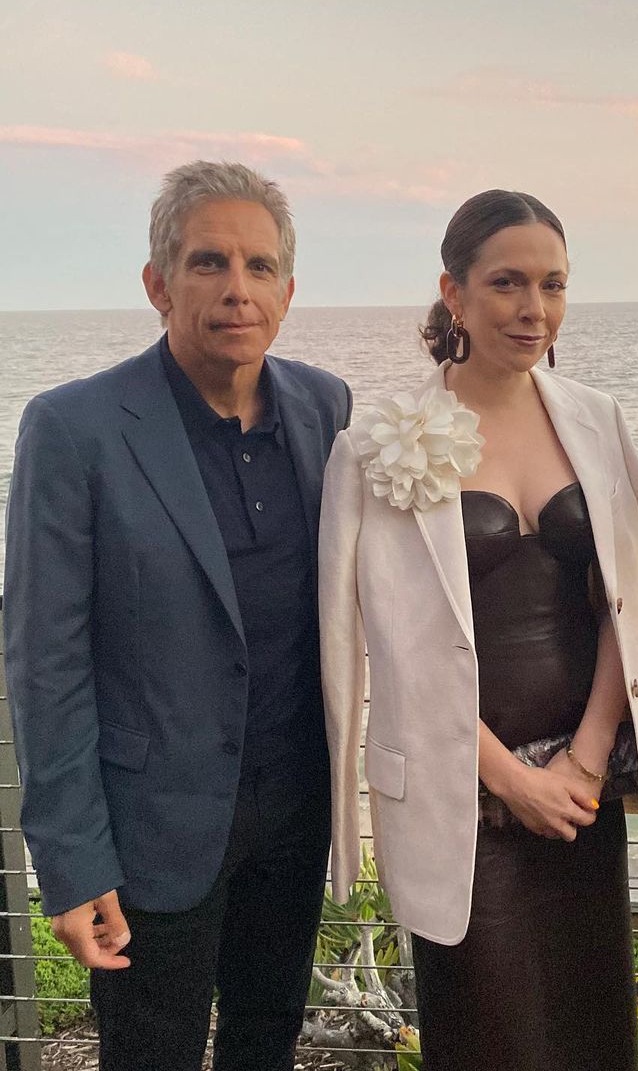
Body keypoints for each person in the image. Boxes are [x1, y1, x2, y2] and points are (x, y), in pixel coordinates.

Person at [319, 189, 638, 1070]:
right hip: (464, 800)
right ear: (453, 294)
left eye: (553, 284)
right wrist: (510, 781)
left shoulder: (597, 419)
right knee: (486, 1036)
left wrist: (585, 758)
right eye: (507, 283)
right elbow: (393, 651)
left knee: (589, 1026)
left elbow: (624, 599)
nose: (535, 308)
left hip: (580, 792)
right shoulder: (376, 444)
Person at [3, 161, 352, 1071]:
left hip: (295, 812)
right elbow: (44, 660)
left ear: (287, 292)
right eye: (209, 263)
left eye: (260, 266)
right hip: (150, 828)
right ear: (158, 284)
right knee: (150, 1053)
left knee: (266, 1041)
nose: (238, 289)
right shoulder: (74, 428)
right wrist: (72, 863)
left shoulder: (326, 409)